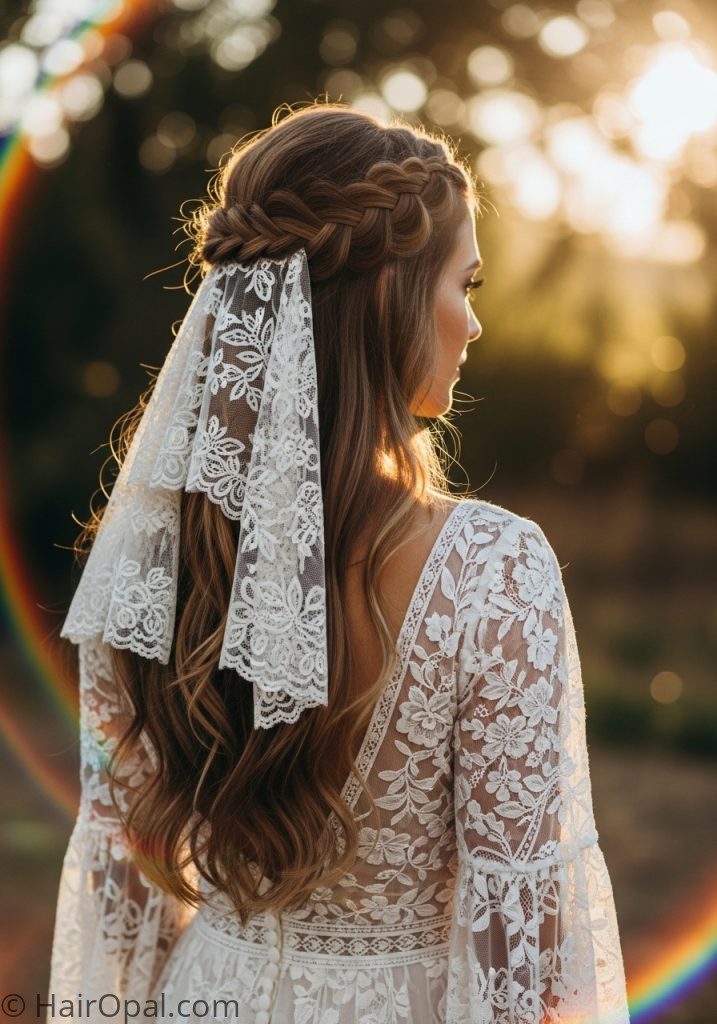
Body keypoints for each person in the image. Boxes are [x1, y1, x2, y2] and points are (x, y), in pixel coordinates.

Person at [48, 102, 631, 1023]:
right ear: (391, 298)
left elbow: (125, 893)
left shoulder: (152, 564)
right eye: (464, 284)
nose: (472, 326)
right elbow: (522, 941)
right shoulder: (490, 567)